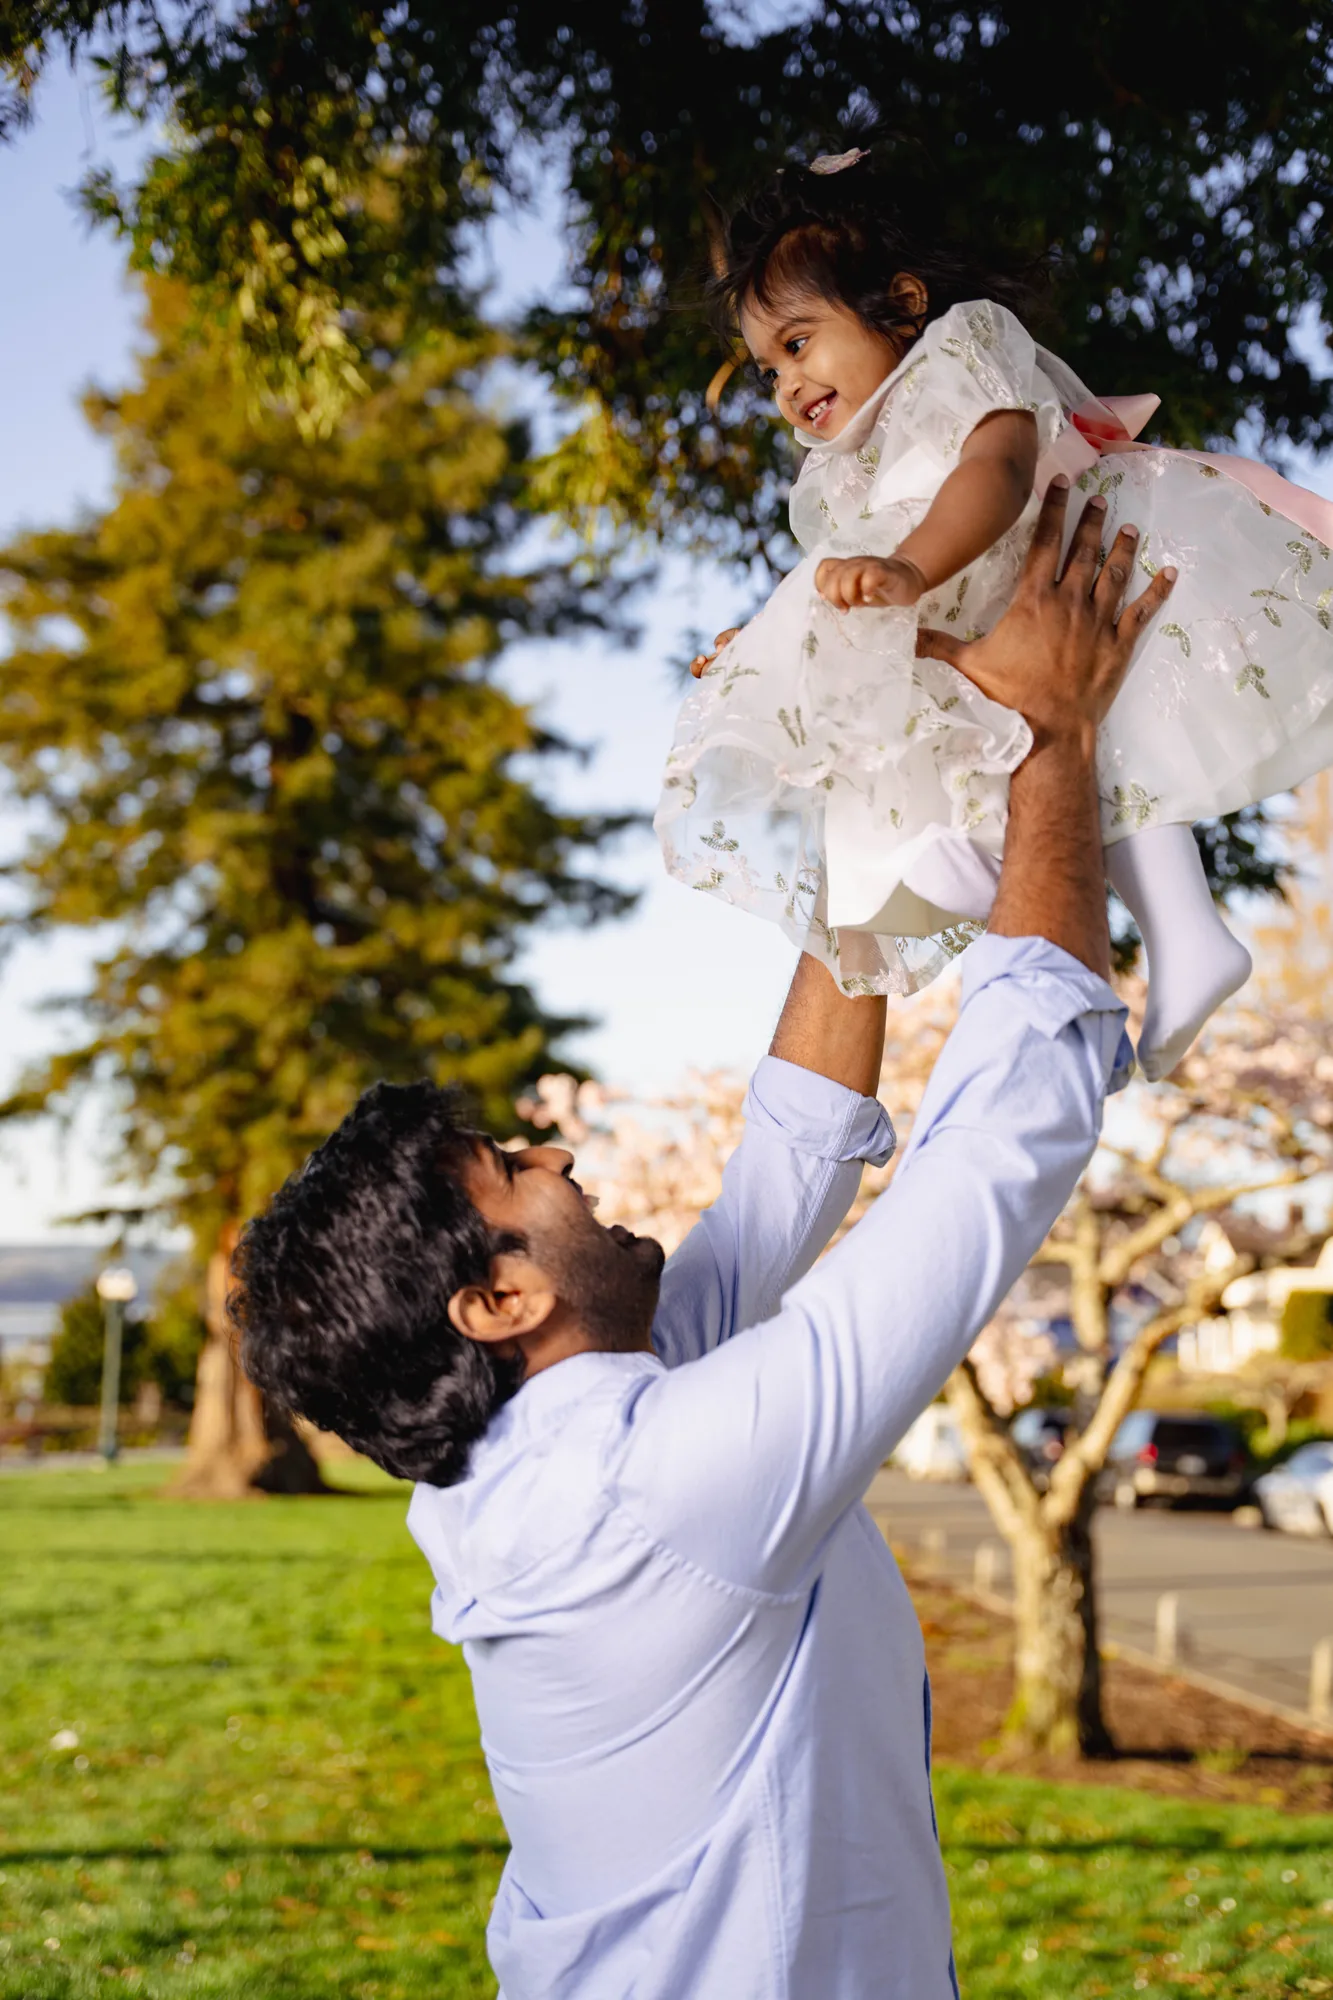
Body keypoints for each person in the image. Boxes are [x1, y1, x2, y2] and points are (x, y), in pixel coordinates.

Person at [233, 484, 1169, 2000]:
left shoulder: (552, 1452)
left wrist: (866, 777)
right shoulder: (660, 1487)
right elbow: (1008, 1133)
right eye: (510, 1170)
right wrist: (1055, 742)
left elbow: (786, 1161)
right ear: (496, 1299)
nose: (555, 1151)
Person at [657, 146, 1333, 1079]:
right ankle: (1091, 956)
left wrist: (905, 564)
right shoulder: (841, 468)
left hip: (1067, 573)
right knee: (1048, 769)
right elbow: (825, 578)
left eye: (798, 343)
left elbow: (996, 472)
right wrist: (763, 644)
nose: (782, 386)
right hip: (995, 642)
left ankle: (1164, 936)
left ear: (898, 303)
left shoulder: (959, 351)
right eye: (767, 368)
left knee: (1117, 743)